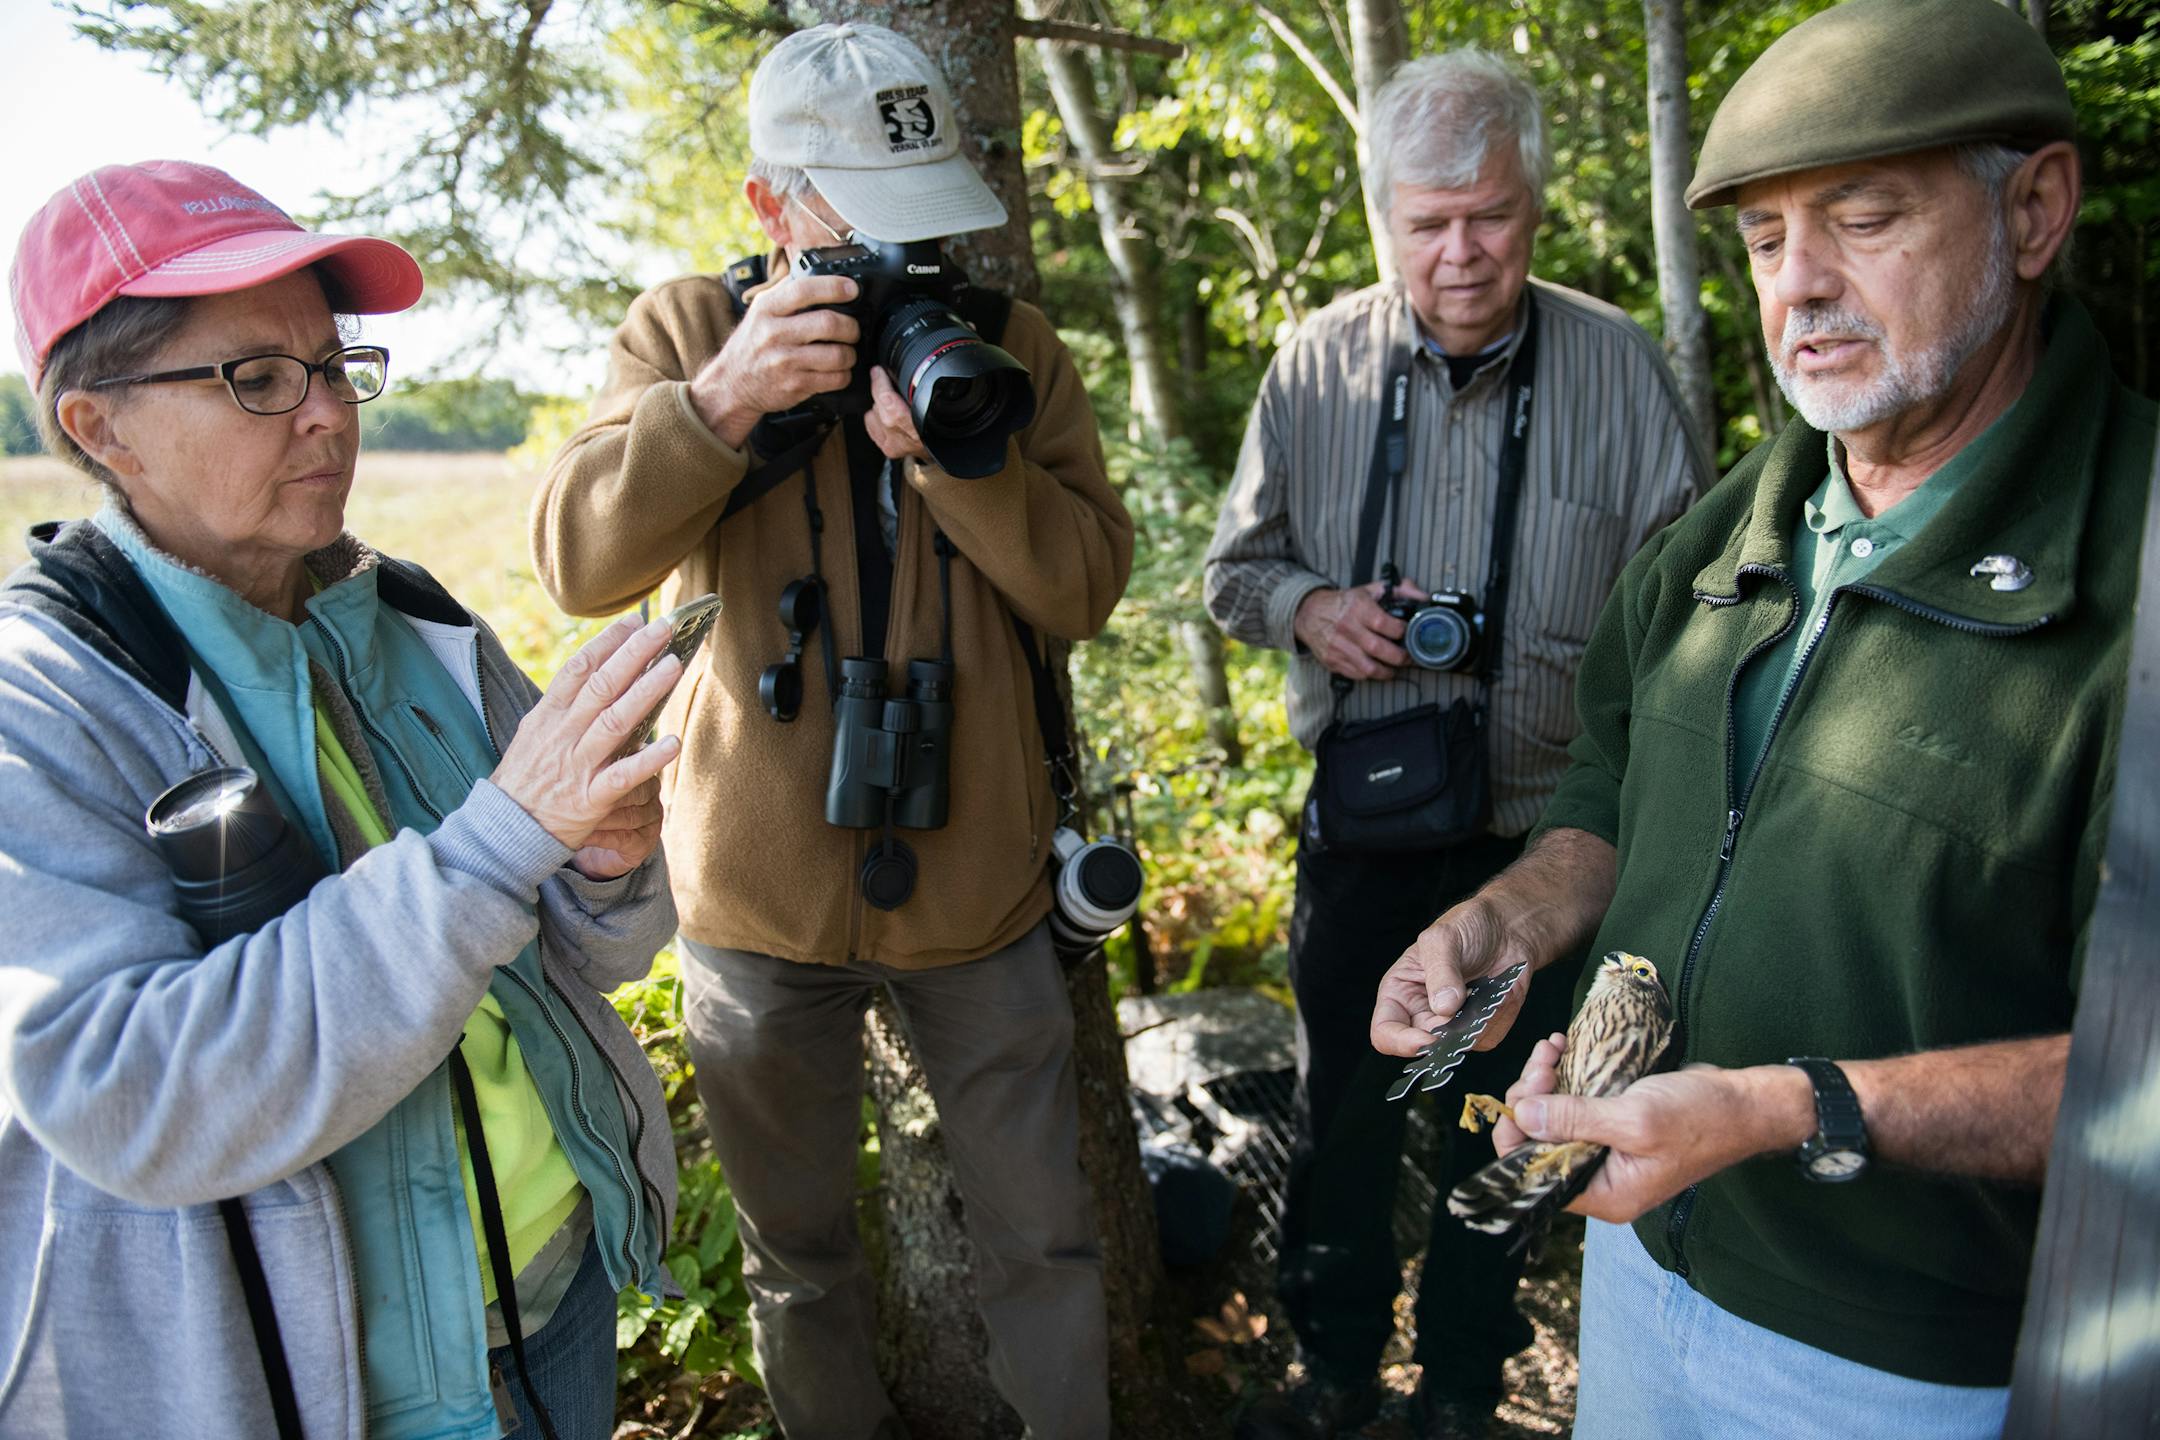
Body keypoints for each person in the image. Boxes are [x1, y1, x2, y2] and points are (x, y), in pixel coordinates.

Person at [1371, 1, 2155, 1435]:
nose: (1800, 287)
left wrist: (1791, 1109)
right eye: (1766, 240)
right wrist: (1513, 920)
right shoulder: (1747, 511)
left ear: (2035, 210)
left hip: (1909, 1369)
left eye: (1863, 219)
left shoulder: (2134, 576)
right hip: (1639, 1262)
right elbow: (1612, 778)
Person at [0, 161, 682, 1440]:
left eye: (333, 365)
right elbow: (125, 1092)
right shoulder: (43, 706)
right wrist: (494, 848)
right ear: (100, 430)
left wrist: (604, 863)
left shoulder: (411, 617)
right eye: (255, 378)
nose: (326, 416)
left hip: (561, 1292)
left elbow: (607, 952)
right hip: (332, 1383)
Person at [529, 22, 1133, 1440]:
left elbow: (1087, 587)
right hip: (754, 904)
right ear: (770, 206)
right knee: (796, 1264)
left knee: (1046, 1240)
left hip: (981, 890)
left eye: (926, 226)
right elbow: (574, 561)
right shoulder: (685, 330)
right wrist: (725, 401)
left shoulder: (1011, 350)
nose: (906, 271)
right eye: (869, 229)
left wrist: (960, 466)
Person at [1206, 50, 1707, 1440]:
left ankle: (1469, 1386)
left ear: (1532, 207)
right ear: (1385, 220)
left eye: (1488, 215)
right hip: (1363, 841)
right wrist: (1315, 610)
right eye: (1426, 222)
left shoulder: (1617, 370)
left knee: (1509, 1120)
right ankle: (1335, 1372)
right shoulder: (1314, 368)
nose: (1461, 251)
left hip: (1547, 840)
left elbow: (1694, 612)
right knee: (1344, 1122)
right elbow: (1230, 573)